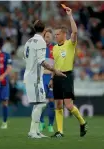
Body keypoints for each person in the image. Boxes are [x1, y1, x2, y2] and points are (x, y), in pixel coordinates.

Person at [23, 20, 66, 139]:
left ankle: (35, 131)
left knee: (39, 103)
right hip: (36, 77)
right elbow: (42, 62)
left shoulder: (28, 41)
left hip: (29, 75)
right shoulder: (41, 41)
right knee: (41, 104)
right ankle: (33, 131)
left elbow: (25, 57)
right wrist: (55, 70)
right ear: (43, 30)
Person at [49, 6, 87, 138]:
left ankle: (82, 122)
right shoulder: (54, 48)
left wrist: (70, 16)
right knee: (58, 104)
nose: (55, 36)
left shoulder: (70, 44)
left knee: (69, 105)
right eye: (55, 34)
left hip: (67, 75)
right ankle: (60, 131)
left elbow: (75, 32)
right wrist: (51, 79)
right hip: (57, 77)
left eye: (57, 34)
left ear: (64, 34)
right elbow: (55, 64)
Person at [40, 28, 55, 133]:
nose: (47, 38)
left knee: (51, 103)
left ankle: (50, 124)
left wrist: (53, 78)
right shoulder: (39, 49)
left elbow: (57, 64)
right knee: (40, 102)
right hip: (41, 77)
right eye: (46, 36)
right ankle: (41, 122)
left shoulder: (55, 49)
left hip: (51, 78)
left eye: (49, 36)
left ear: (52, 37)